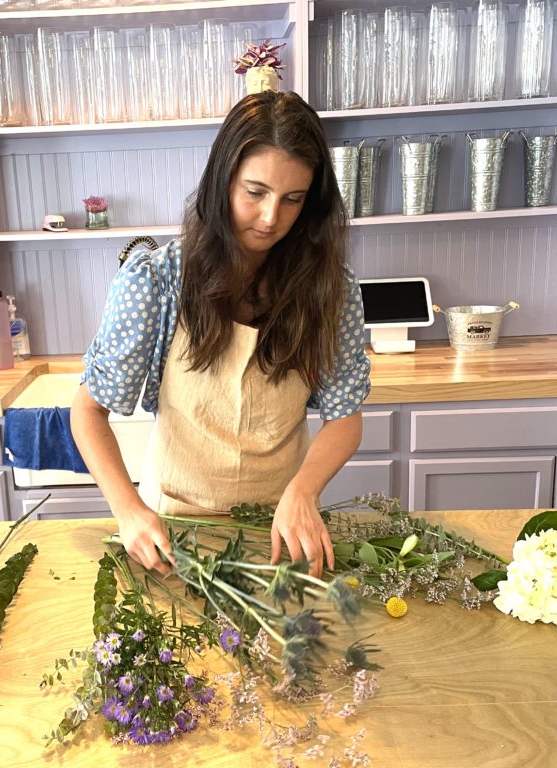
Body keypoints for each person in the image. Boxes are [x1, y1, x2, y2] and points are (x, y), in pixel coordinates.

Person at [71, 91, 371, 580]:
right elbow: (88, 411)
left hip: (277, 531)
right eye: (255, 192)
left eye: (293, 199)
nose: (272, 217)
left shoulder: (331, 290)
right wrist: (128, 510)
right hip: (172, 529)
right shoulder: (159, 281)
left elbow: (344, 419)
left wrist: (305, 491)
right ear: (222, 182)